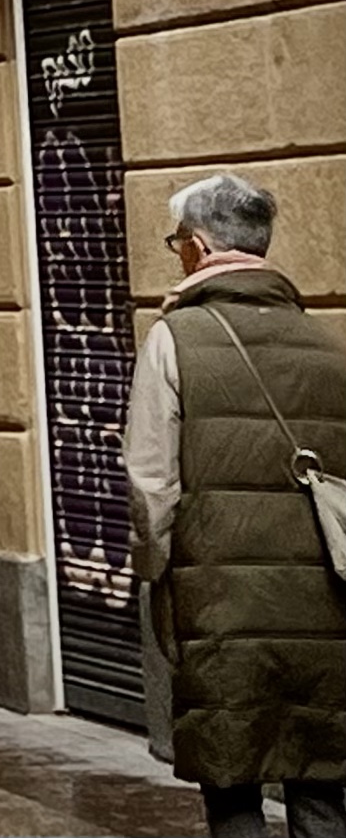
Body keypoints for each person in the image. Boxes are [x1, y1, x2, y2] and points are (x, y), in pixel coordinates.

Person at [125, 170, 346, 838]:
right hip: (324, 604)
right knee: (322, 782)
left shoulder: (175, 340)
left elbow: (151, 483)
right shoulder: (327, 343)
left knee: (232, 779)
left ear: (195, 246)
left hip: (218, 600)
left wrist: (157, 572)